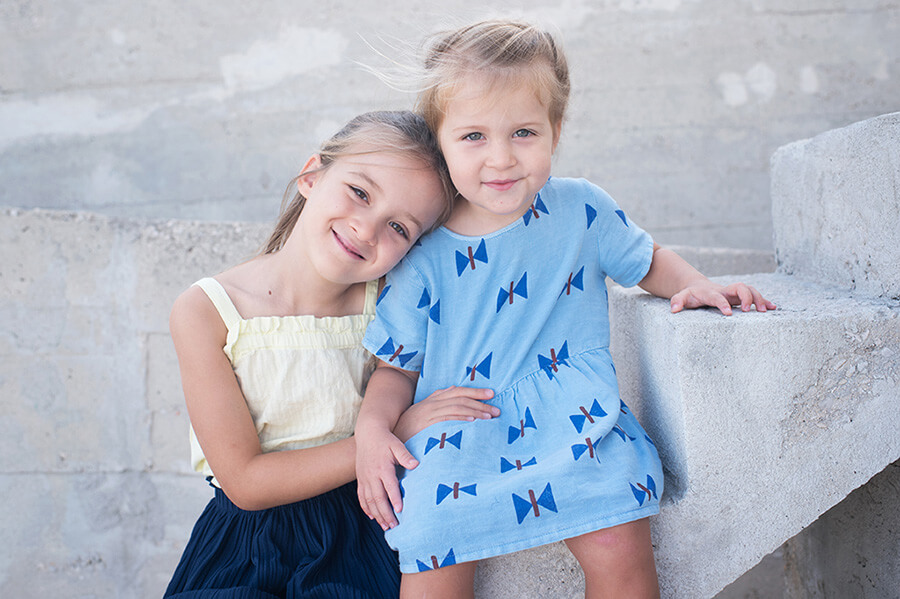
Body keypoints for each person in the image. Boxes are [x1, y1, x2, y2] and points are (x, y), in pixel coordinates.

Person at [354, 21, 777, 599]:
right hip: (460, 432)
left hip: (576, 421)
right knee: (429, 544)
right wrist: (372, 430)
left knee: (618, 542)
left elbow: (646, 259)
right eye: (473, 136)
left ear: (555, 130)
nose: (501, 158)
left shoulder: (580, 209)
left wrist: (695, 284)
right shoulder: (423, 254)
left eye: (524, 132)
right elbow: (395, 368)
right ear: (440, 142)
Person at [163, 111, 496, 599]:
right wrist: (385, 435)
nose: (366, 229)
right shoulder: (207, 310)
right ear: (312, 176)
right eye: (359, 192)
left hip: (359, 533)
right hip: (244, 546)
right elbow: (246, 482)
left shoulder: (391, 305)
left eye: (399, 228)